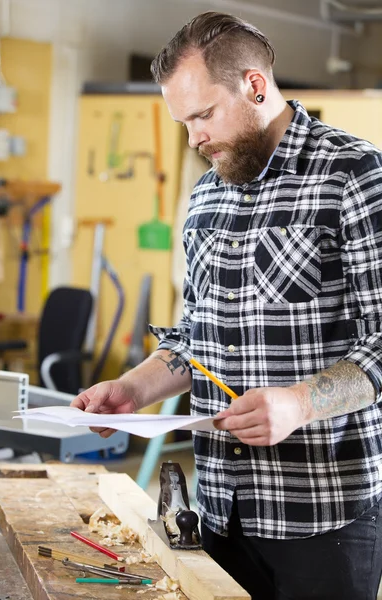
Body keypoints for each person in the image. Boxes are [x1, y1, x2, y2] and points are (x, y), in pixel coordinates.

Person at [71, 12, 382, 600]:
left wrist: (299, 403)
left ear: (254, 86)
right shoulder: (207, 194)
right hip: (217, 510)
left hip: (322, 517)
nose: (193, 138)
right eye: (183, 121)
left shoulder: (353, 174)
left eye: (203, 115)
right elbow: (197, 337)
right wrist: (133, 389)